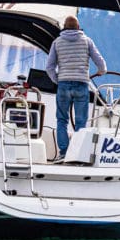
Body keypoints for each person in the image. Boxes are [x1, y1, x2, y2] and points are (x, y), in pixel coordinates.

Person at [46, 15, 107, 161]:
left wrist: (58, 80)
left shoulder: (57, 42)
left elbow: (49, 67)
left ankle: (63, 153)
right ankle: (77, 153)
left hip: (63, 84)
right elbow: (102, 65)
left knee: (62, 120)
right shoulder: (87, 41)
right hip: (81, 84)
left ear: (64, 28)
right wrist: (100, 72)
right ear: (78, 28)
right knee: (81, 121)